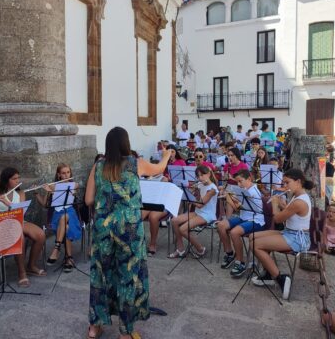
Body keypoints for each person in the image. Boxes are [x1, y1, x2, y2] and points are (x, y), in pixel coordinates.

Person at [85, 126, 171, 339]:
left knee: (100, 275)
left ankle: (95, 326)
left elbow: (88, 200)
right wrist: (167, 154)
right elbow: (159, 169)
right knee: (128, 276)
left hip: (103, 228)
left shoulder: (98, 166)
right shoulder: (136, 163)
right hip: (129, 229)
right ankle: (126, 331)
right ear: (126, 143)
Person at [250, 169, 314, 300]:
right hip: (290, 232)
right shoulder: (297, 196)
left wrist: (275, 205)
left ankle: (280, 279)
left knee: (255, 244)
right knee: (252, 237)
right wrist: (282, 205)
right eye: (284, 183)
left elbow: (278, 219)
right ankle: (268, 273)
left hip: (298, 238)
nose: (285, 186)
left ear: (298, 182)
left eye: (287, 183)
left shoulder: (299, 201)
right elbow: (292, 214)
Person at [0, 167, 46, 288]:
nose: (17, 180)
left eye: (18, 178)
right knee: (20, 238)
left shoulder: (20, 193)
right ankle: (22, 272)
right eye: (14, 179)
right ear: (6, 180)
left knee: (40, 235)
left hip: (18, 220)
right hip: (3, 224)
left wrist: (8, 204)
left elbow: (19, 211)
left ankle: (31, 266)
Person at [217, 170, 264, 277]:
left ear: (249, 179)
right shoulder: (244, 189)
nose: (239, 184)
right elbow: (237, 208)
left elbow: (236, 208)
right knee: (221, 225)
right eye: (237, 182)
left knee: (234, 233)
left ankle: (240, 262)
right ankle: (229, 253)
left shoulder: (253, 192)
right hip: (244, 217)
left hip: (256, 220)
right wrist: (229, 196)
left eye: (240, 181)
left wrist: (229, 198)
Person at [36, 163, 82, 272]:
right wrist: (41, 192)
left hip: (71, 213)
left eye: (68, 172)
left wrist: (72, 193)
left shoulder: (74, 185)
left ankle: (56, 249)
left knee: (65, 217)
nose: (66, 175)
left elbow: (76, 190)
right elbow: (44, 204)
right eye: (63, 173)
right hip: (56, 214)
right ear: (59, 175)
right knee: (65, 225)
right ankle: (69, 259)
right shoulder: (52, 186)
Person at [168, 165, 218, 259]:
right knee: (174, 220)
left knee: (183, 229)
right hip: (198, 212)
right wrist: (192, 191)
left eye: (202, 175)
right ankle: (180, 248)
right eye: (198, 176)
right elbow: (197, 199)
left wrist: (189, 197)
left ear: (208, 174)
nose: (200, 178)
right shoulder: (201, 184)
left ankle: (200, 249)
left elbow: (200, 204)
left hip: (207, 214)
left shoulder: (212, 189)